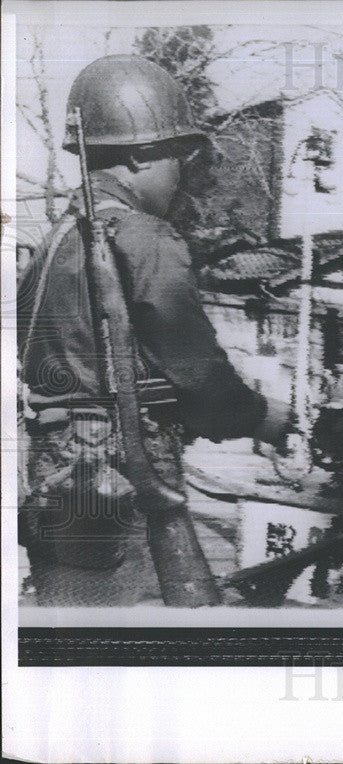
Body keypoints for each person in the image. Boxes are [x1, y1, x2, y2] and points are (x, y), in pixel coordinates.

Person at [17, 55, 293, 606]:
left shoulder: (53, 244)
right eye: (176, 156)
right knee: (140, 632)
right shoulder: (144, 238)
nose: (182, 174)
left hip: (59, 468)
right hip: (124, 469)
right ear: (141, 155)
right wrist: (260, 417)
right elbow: (196, 369)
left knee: (75, 622)